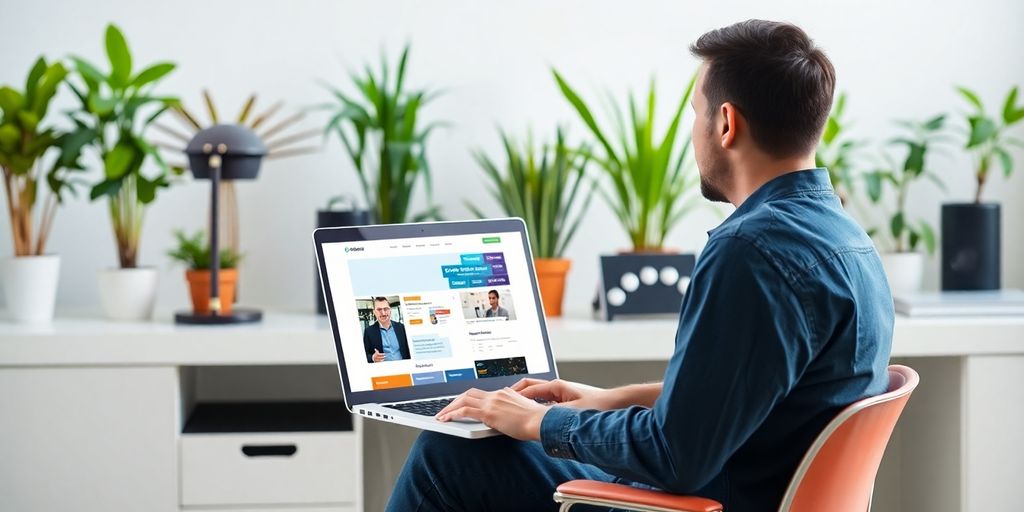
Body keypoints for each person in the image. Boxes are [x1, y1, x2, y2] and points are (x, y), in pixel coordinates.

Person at [386, 19, 894, 512]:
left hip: (702, 501)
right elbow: (764, 397)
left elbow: (675, 457)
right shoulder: (847, 240)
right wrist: (609, 398)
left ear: (725, 123)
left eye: (696, 113)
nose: (694, 131)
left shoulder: (751, 251)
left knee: (449, 454)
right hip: (743, 489)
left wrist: (539, 423)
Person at [362, 297, 411, 363]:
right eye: (379, 309)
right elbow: (364, 355)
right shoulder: (369, 331)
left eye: (386, 309)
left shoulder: (401, 327)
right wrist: (373, 357)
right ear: (374, 312)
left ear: (390, 310)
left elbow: (409, 350)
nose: (383, 313)